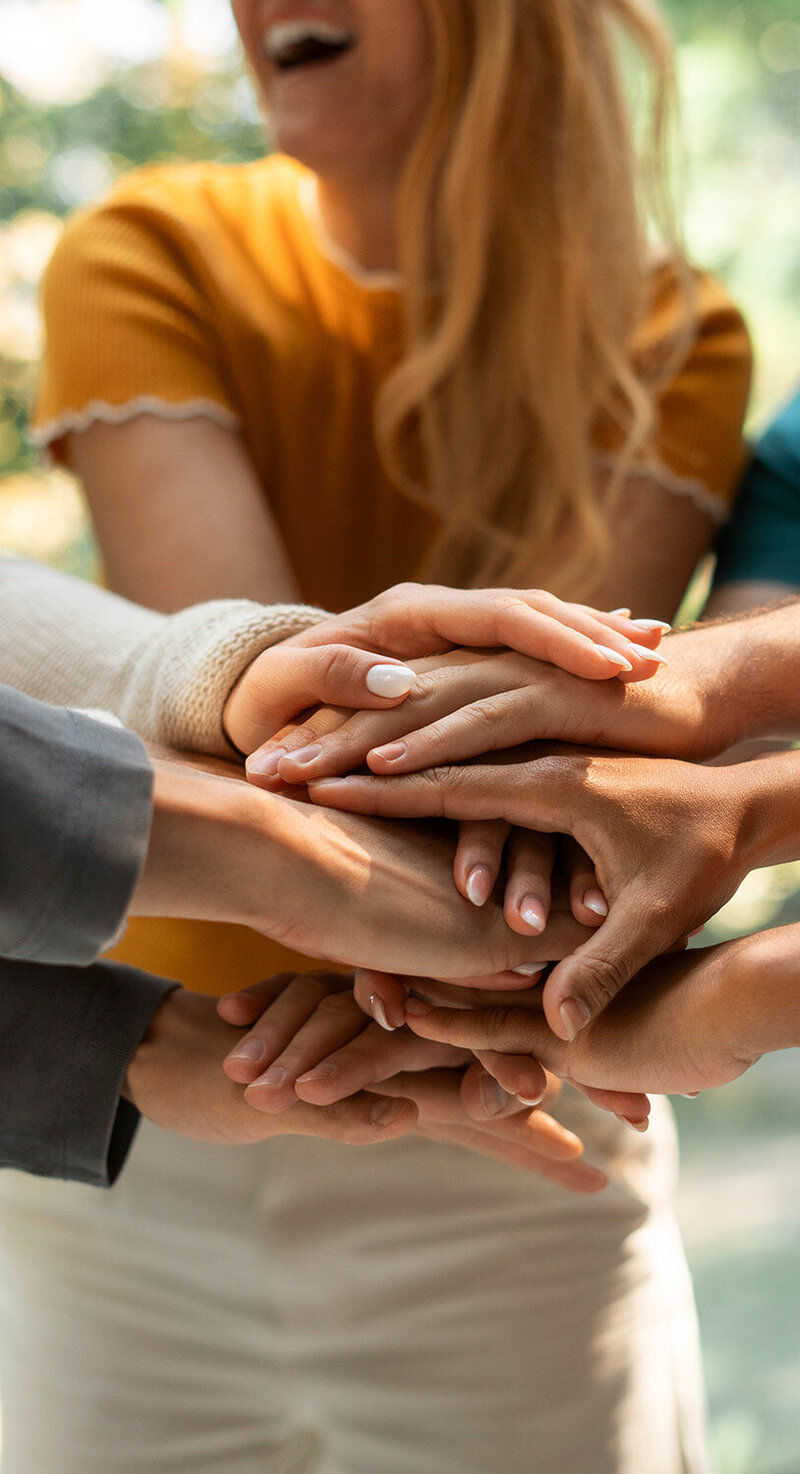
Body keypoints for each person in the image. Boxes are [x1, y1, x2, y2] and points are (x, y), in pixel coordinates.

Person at [17, 2, 750, 1470]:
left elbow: (544, 762)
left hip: (509, 1147)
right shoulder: (149, 248)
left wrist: (400, 970)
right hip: (139, 1127)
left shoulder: (674, 333)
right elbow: (265, 736)